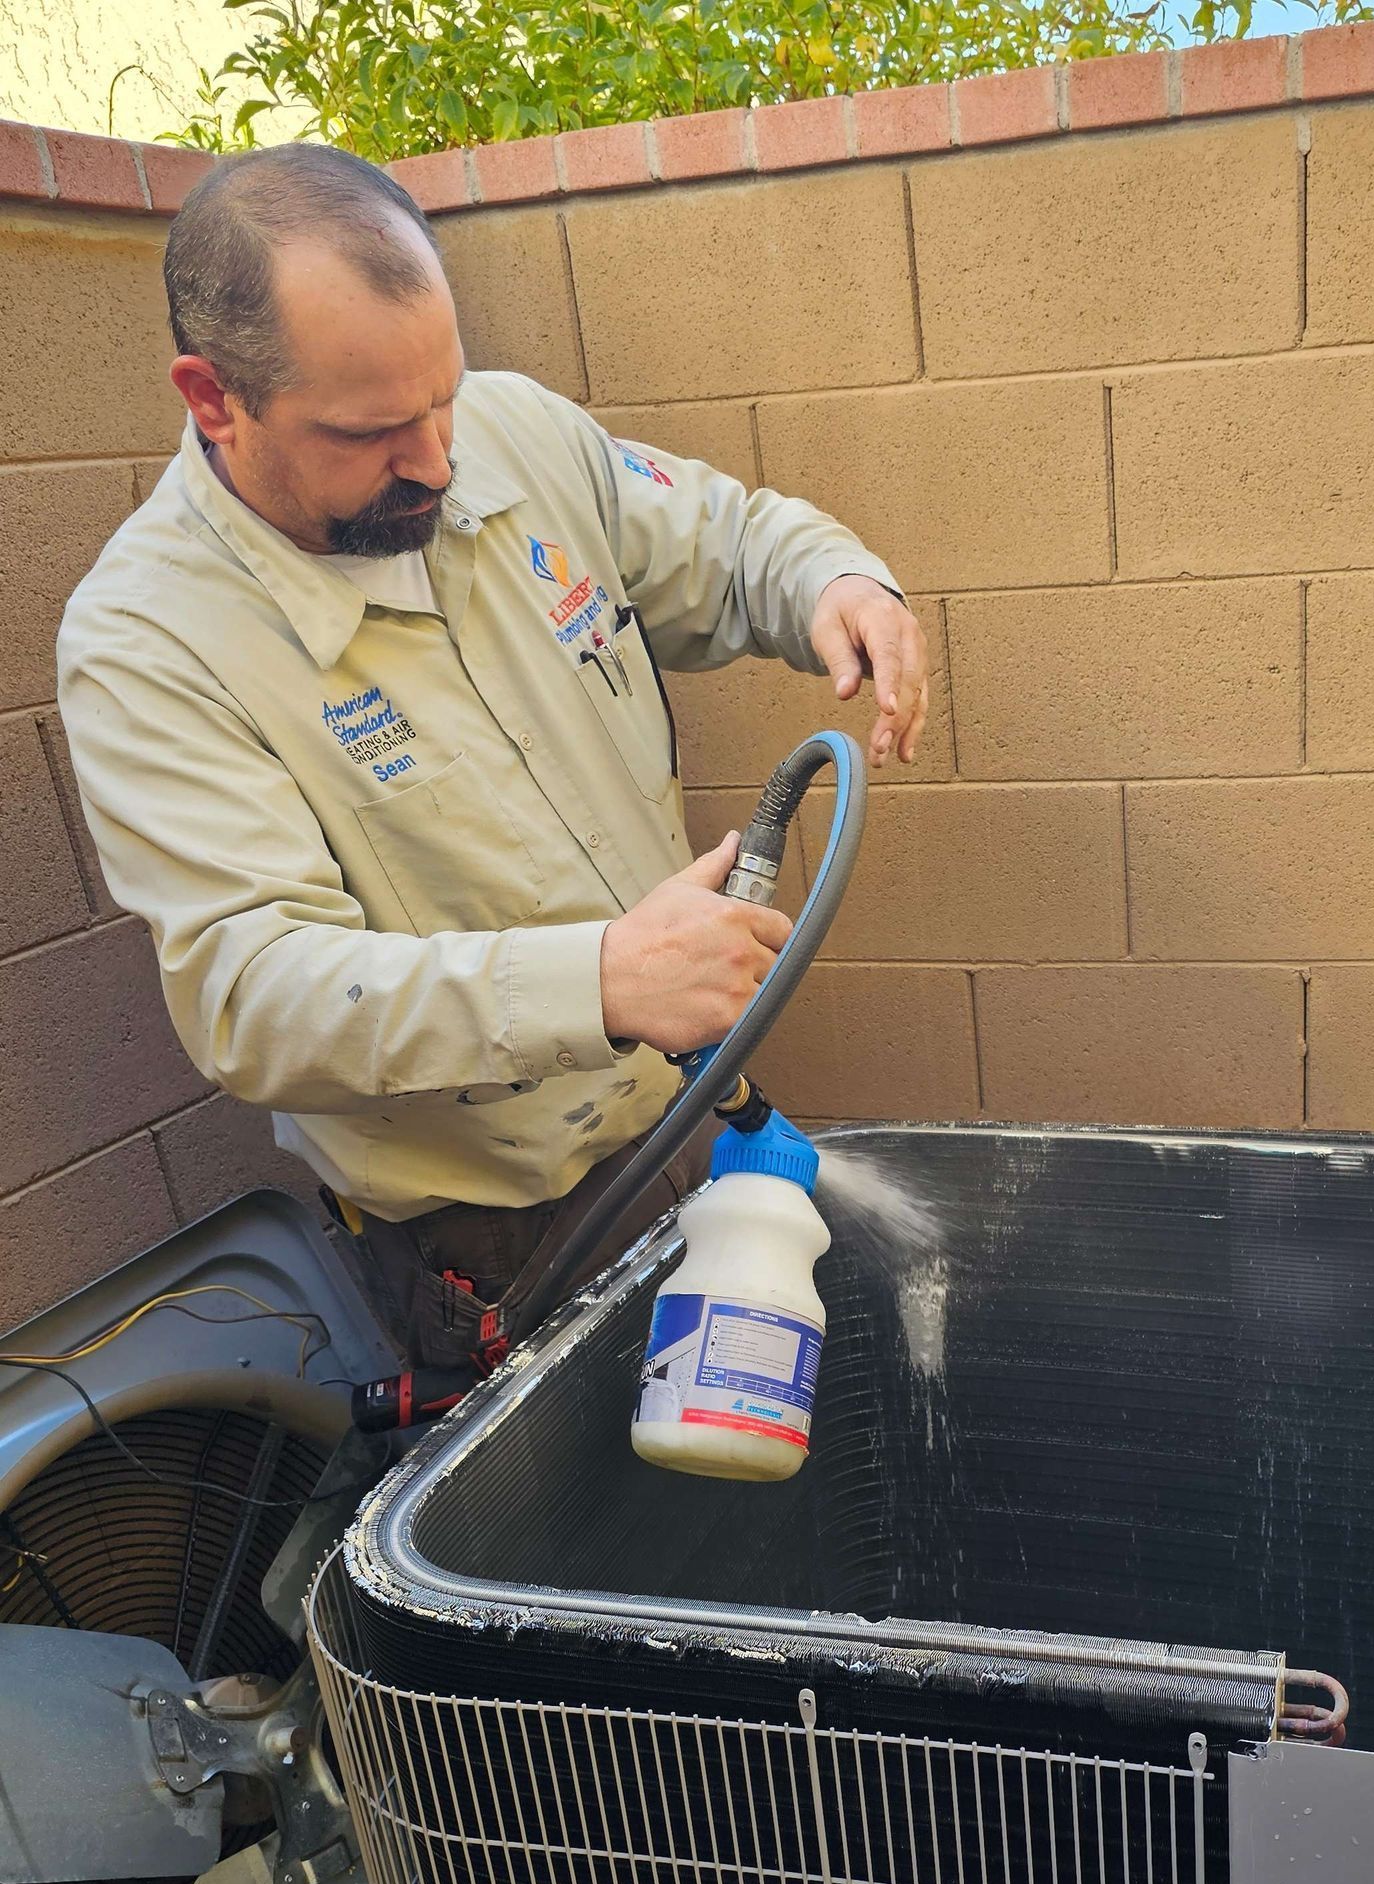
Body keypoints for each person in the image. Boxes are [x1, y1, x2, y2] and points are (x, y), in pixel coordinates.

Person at [57, 143, 929, 1371]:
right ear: (214, 400)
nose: (436, 459)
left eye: (443, 395)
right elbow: (254, 996)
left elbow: (725, 539)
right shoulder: (147, 643)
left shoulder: (512, 432)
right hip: (495, 1242)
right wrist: (599, 980)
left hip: (683, 1114)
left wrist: (835, 581)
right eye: (371, 430)